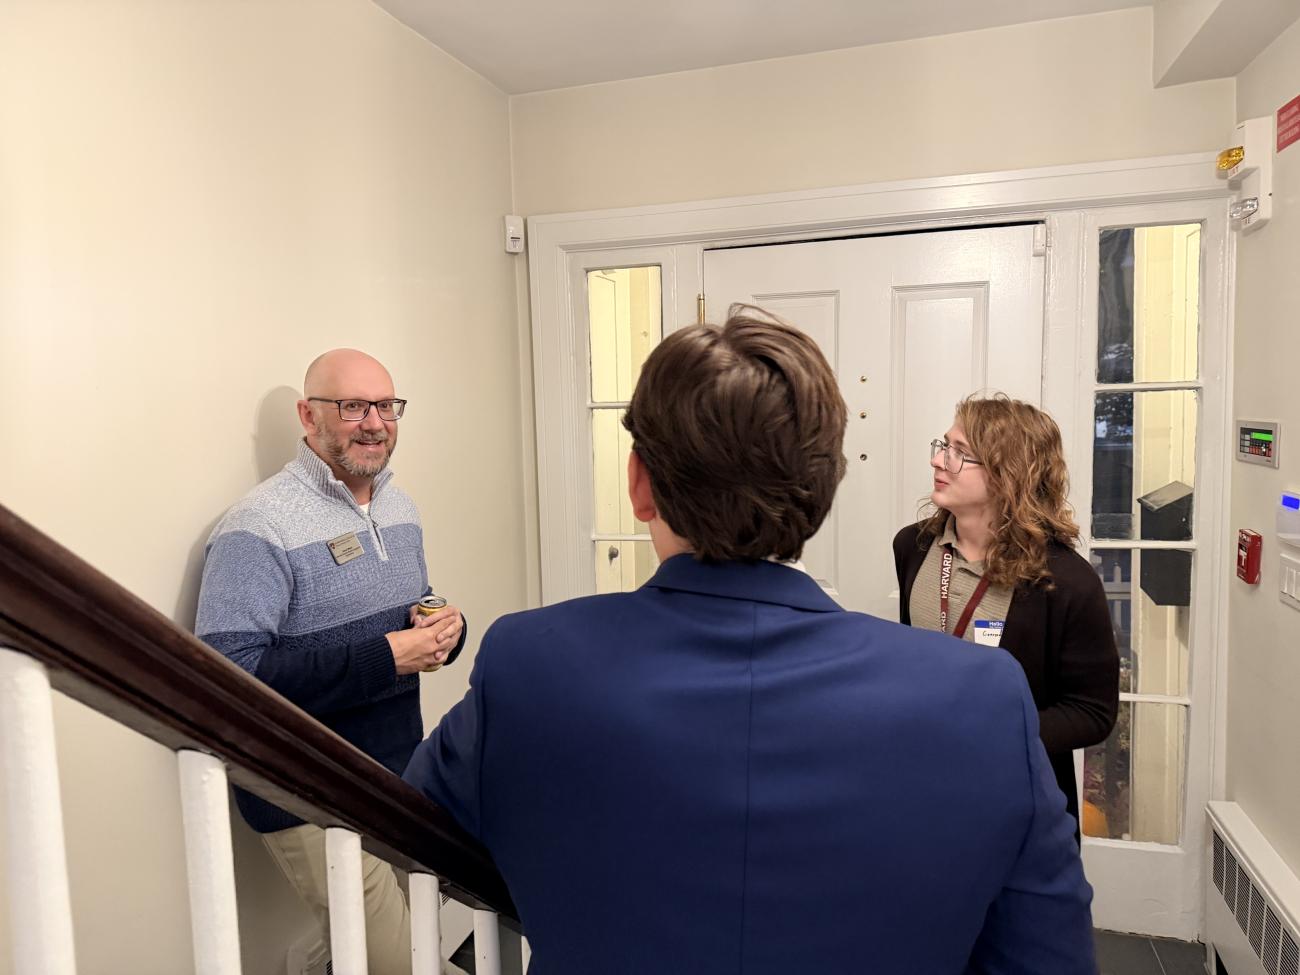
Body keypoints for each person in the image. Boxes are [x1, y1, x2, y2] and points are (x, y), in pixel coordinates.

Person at [404, 307, 1096, 974]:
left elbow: (417, 822)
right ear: (823, 491)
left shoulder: (528, 664)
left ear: (638, 484)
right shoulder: (981, 699)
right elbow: (1046, 952)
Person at [196, 349, 466, 975]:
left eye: (386, 406)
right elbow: (227, 675)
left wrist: (441, 627)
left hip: (391, 775)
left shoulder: (401, 508)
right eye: (352, 406)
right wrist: (386, 657)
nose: (374, 422)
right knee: (403, 963)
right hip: (303, 789)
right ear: (307, 415)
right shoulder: (257, 526)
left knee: (366, 946)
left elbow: (405, 622)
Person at [893, 393, 1120, 839]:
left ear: (1007, 475)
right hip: (924, 788)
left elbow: (1093, 712)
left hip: (1019, 802)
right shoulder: (912, 547)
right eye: (943, 445)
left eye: (960, 453)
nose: (939, 460)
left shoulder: (1067, 582)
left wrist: (989, 731)